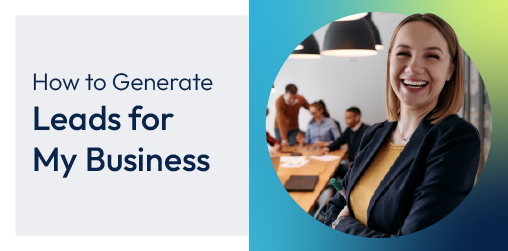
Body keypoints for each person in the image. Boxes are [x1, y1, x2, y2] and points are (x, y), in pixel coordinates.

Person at [324, 13, 480, 238]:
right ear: (390, 62)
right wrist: (340, 221)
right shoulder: (374, 134)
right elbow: (334, 206)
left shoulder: (456, 140)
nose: (414, 67)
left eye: (432, 56)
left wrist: (343, 225)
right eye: (404, 53)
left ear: (450, 70)